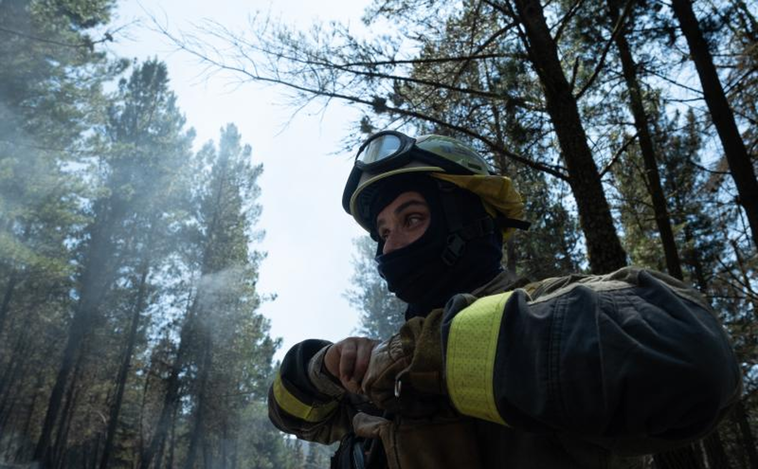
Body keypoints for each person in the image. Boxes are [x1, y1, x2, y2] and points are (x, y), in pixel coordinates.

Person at [268, 130, 742, 469]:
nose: (390, 246)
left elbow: (693, 358)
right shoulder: (378, 373)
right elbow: (292, 415)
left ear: (469, 222)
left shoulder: (550, 304)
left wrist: (424, 356)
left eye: (411, 219)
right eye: (383, 232)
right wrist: (322, 366)